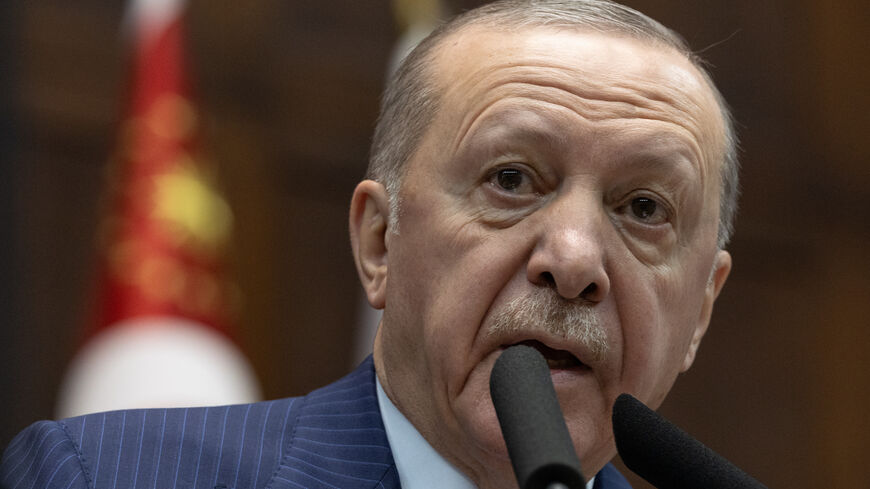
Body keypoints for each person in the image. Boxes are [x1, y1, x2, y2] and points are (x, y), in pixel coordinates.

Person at [0, 1, 737, 488]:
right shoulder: (106, 475)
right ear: (379, 243)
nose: (574, 260)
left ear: (702, 310)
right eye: (511, 179)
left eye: (643, 206)